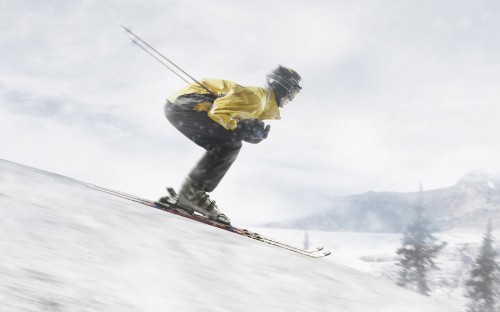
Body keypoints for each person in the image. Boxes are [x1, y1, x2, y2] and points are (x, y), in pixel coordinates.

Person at [160, 65, 302, 225]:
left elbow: (228, 118)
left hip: (183, 106)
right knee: (229, 144)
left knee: (228, 142)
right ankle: (190, 195)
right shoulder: (256, 99)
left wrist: (247, 130)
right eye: (294, 93)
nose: (292, 99)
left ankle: (188, 195)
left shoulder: (259, 101)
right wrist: (242, 128)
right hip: (185, 106)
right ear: (283, 87)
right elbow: (218, 112)